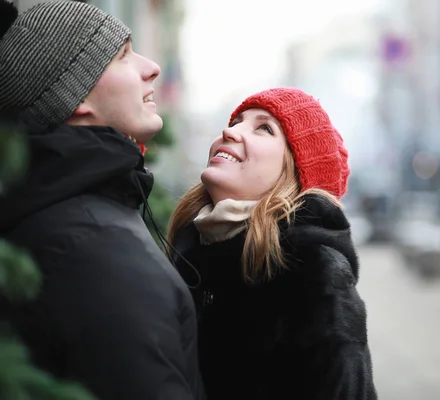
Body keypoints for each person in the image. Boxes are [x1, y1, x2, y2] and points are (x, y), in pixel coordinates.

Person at [0, 1, 205, 399]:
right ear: (75, 96)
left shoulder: (85, 212)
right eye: (122, 56)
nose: (151, 67)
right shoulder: (90, 245)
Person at [168, 88, 378, 400]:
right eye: (237, 121)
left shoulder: (313, 273)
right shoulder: (188, 252)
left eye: (264, 128)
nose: (230, 130)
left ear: (294, 175)